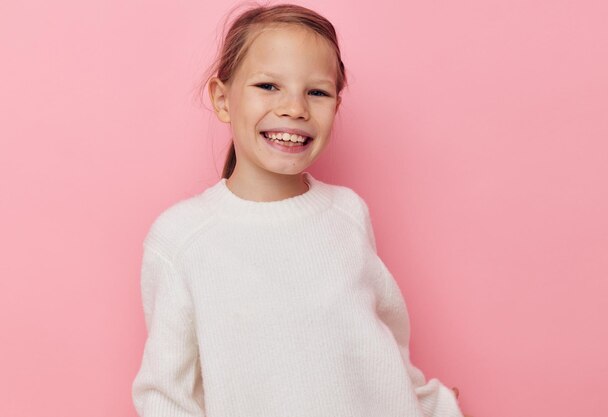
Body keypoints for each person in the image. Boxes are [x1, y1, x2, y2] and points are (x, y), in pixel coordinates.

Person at [131, 3, 468, 417]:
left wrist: (433, 406)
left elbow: (383, 347)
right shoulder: (182, 240)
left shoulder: (348, 213)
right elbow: (166, 398)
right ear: (222, 99)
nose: (295, 108)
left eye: (317, 92)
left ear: (336, 106)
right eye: (268, 86)